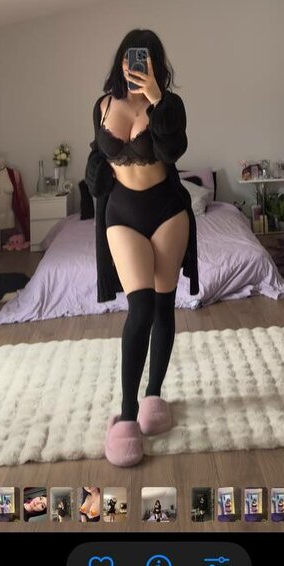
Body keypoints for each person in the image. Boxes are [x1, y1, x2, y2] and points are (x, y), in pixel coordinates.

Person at [85, 29, 199, 468]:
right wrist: (93, 170)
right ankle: (128, 415)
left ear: (155, 64)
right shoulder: (102, 105)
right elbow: (98, 154)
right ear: (121, 61)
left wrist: (157, 99)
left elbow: (174, 149)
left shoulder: (170, 104)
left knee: (164, 304)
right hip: (122, 213)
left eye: (146, 59)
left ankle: (154, 396)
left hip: (167, 210)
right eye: (132, 59)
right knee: (141, 308)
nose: (136, 65)